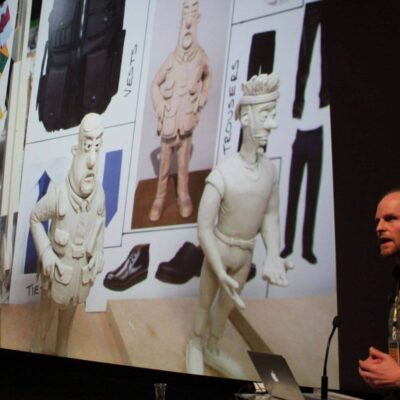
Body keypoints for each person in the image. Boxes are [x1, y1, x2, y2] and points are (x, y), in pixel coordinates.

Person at [186, 73, 293, 378]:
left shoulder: (269, 171)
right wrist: (219, 270)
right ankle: (195, 344)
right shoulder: (223, 174)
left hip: (244, 256)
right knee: (205, 303)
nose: (272, 124)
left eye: (273, 114)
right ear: (246, 117)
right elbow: (204, 227)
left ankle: (212, 346)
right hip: (219, 253)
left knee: (226, 308)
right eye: (265, 115)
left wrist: (273, 255)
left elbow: (270, 215)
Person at [30, 113, 105, 356]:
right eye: (87, 146)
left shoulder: (99, 197)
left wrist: (98, 254)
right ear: (77, 149)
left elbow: (100, 227)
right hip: (56, 275)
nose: (92, 161)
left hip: (78, 278)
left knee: (67, 325)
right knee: (45, 318)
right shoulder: (59, 195)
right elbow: (35, 217)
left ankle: (62, 349)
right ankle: (38, 345)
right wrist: (46, 252)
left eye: (97, 147)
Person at [149, 0, 212, 222]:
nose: (188, 20)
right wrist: (160, 106)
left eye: (193, 12)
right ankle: (160, 197)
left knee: (183, 165)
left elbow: (208, 77)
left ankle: (183, 194)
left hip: (186, 122)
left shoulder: (201, 57)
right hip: (169, 122)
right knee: (164, 165)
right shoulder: (171, 59)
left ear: (198, 17)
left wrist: (202, 97)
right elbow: (154, 84)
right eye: (186, 11)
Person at [359, 190, 400, 391]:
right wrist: (382, 373)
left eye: (391, 218)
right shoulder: (397, 280)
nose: (379, 227)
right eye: (378, 221)